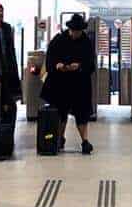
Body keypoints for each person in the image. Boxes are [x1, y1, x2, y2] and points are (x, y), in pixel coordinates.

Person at [40, 13, 97, 155]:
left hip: (80, 83)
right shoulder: (59, 40)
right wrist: (57, 65)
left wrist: (80, 66)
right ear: (69, 29)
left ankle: (85, 141)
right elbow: (50, 60)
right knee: (61, 112)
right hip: (61, 83)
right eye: (74, 31)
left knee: (82, 113)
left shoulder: (86, 42)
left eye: (78, 31)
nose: (76, 33)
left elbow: (91, 64)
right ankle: (60, 138)